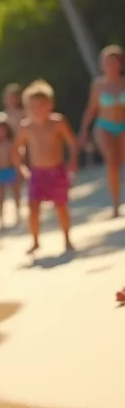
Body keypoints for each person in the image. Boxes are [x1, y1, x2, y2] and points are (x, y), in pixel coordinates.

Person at [15, 80, 78, 254]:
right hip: (37, 172)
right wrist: (21, 167)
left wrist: (73, 162)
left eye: (41, 105)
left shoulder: (58, 122)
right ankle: (35, 241)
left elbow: (72, 143)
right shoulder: (26, 126)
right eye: (33, 107)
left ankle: (67, 239)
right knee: (33, 208)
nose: (38, 110)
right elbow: (18, 148)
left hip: (57, 170)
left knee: (61, 206)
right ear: (27, 108)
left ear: (50, 104)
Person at [78, 44, 125, 217]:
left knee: (121, 162)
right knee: (112, 163)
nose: (110, 65)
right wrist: (84, 130)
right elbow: (92, 109)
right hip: (104, 126)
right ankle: (115, 205)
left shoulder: (123, 83)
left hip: (123, 126)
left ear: (120, 63)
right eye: (106, 61)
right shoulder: (98, 85)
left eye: (113, 61)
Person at [0, 113, 20, 228]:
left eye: (3, 129)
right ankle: (1, 219)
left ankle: (18, 214)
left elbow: (15, 158)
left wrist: (18, 170)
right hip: (0, 171)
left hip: (11, 170)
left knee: (16, 194)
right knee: (0, 196)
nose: (1, 132)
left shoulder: (11, 144)